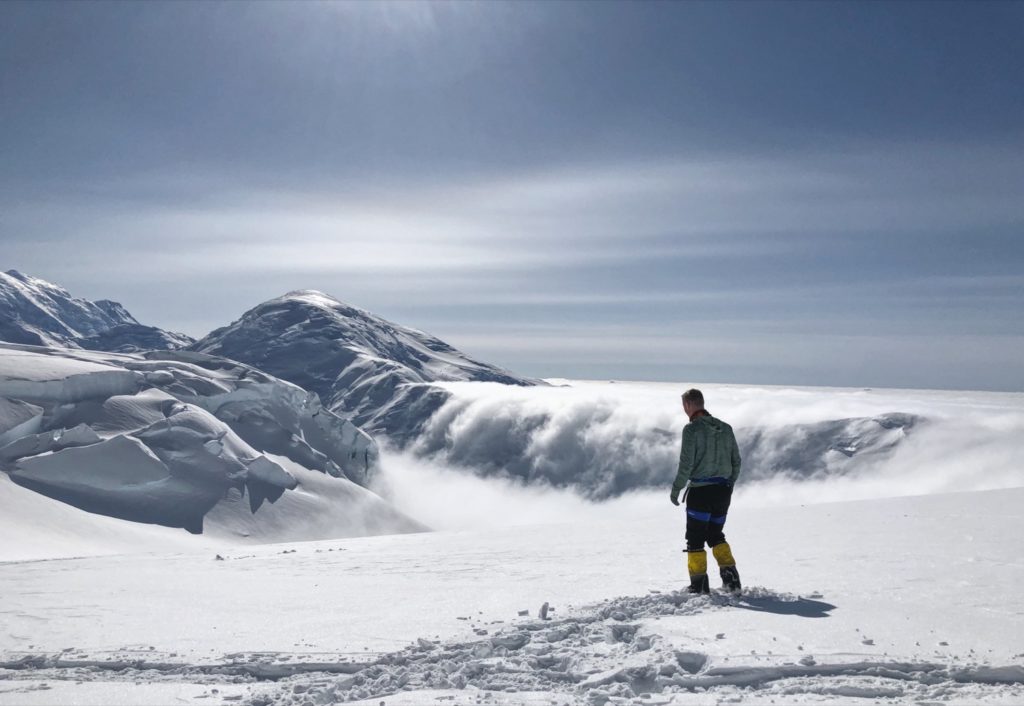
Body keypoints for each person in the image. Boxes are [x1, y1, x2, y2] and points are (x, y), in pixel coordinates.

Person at [670, 388, 742, 594]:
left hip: (700, 492)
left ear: (689, 405)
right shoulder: (726, 428)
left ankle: (698, 584)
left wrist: (676, 490)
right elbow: (736, 461)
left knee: (695, 539)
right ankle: (732, 581)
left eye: (684, 406)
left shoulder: (691, 430)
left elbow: (686, 464)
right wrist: (729, 484)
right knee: (716, 535)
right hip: (722, 492)